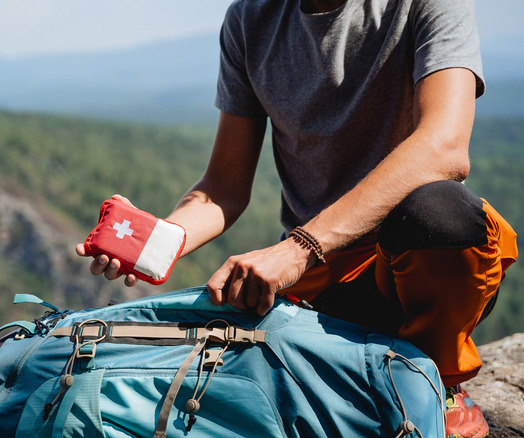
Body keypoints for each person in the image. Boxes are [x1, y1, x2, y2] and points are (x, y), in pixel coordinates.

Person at [76, 0, 518, 436]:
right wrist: (159, 240)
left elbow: (444, 148)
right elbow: (224, 187)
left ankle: (434, 381)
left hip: (414, 265)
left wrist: (300, 247)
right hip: (321, 286)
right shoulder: (251, 19)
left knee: (442, 215)